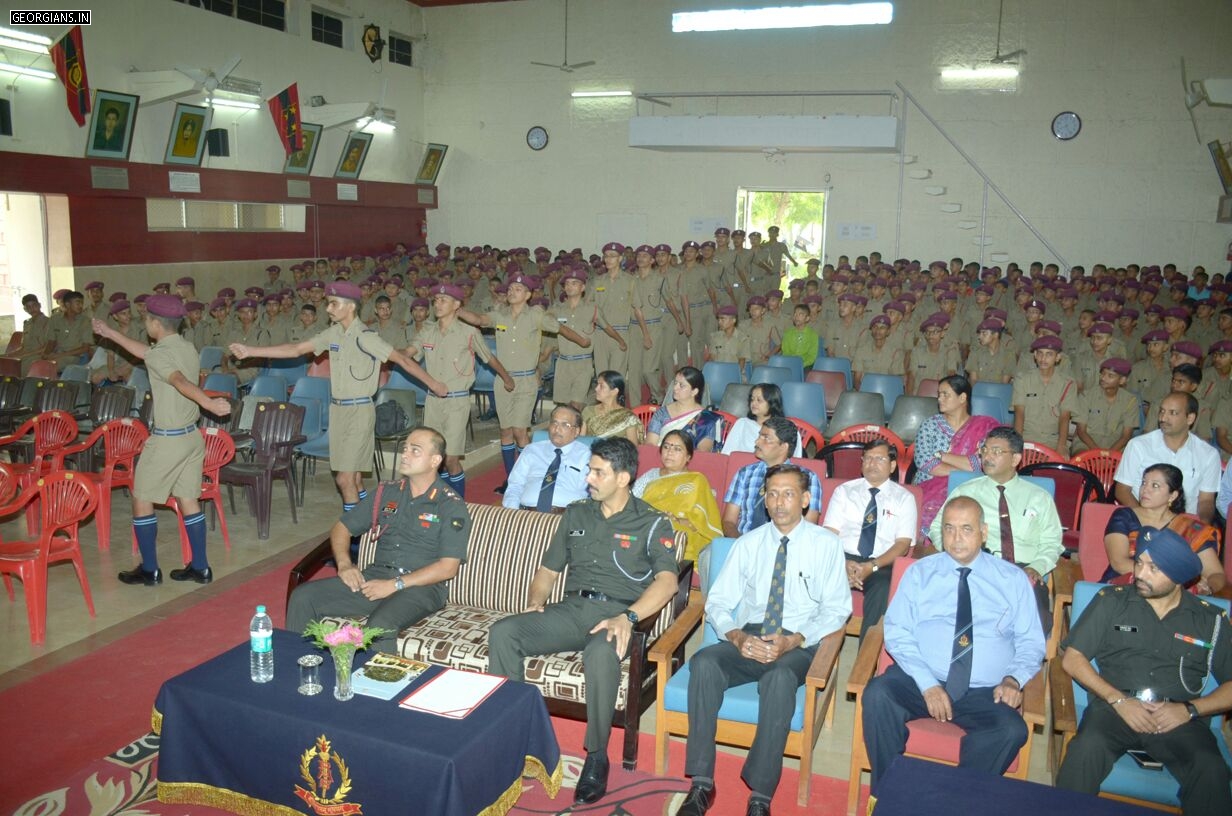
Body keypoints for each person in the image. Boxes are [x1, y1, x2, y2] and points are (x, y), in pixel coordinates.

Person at [488, 438, 678, 806]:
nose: (588, 478)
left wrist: (629, 617)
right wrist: (535, 601)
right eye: (590, 470)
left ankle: (596, 755)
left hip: (615, 615)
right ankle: (517, 739)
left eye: (597, 472)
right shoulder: (577, 514)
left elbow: (667, 582)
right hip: (571, 610)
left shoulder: (652, 521)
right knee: (504, 632)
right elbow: (548, 569)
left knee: (600, 654)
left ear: (623, 478)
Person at [675, 464, 849, 816]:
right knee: (705, 663)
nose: (779, 502)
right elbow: (719, 601)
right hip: (751, 635)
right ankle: (701, 783)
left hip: (798, 642)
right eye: (772, 494)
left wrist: (795, 640)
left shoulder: (826, 545)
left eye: (788, 494)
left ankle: (761, 794)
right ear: (764, 501)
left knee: (779, 678)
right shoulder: (749, 543)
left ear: (804, 499)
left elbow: (837, 610)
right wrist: (737, 637)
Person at [862, 496, 1046, 794]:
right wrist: (927, 684)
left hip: (984, 690)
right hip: (923, 680)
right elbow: (896, 631)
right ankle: (886, 795)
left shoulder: (1012, 580)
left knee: (1011, 729)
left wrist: (1014, 679)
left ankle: (956, 800)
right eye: (949, 529)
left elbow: (1031, 642)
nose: (956, 538)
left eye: (966, 529)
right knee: (878, 694)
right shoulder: (921, 573)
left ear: (984, 532)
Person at [230, 281, 447, 515]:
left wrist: (433, 384)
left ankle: (353, 536)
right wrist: (252, 351)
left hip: (359, 412)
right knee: (352, 479)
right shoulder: (333, 333)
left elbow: (403, 360)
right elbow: (296, 349)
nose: (328, 309)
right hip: (338, 412)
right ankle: (369, 519)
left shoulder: (366, 337)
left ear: (350, 307)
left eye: (333, 303)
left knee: (344, 479)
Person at [1054, 530, 1232, 814]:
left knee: (1211, 770)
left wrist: (1189, 710)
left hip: (1179, 717)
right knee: (1085, 751)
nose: (1140, 574)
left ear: (1179, 577)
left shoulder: (1210, 620)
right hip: (1115, 709)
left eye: (1153, 569)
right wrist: (1118, 700)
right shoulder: (1112, 601)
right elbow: (1073, 659)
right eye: (1139, 563)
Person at [286, 427, 469, 656]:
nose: (405, 455)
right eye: (405, 449)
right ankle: (300, 669)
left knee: (379, 626)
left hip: (421, 588)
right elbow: (341, 528)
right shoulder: (387, 493)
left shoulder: (450, 504)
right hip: (376, 577)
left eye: (415, 450)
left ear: (435, 460)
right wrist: (344, 564)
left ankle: (377, 688)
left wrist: (395, 584)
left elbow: (448, 567)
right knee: (303, 597)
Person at [94, 296, 232, 586]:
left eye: (146, 319)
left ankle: (149, 570)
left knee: (142, 498)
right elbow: (147, 353)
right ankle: (200, 567)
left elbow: (179, 380)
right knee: (188, 500)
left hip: (167, 440)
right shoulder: (186, 347)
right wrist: (110, 333)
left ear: (156, 323)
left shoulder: (162, 355)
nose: (144, 323)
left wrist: (209, 403)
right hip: (191, 439)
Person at [928, 426, 1063, 630]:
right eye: (985, 450)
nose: (987, 456)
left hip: (1023, 570)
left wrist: (1037, 567)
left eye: (996, 452)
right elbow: (938, 527)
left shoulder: (1039, 497)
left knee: (1032, 624)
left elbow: (1052, 542)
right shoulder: (966, 492)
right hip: (979, 564)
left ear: (1015, 459)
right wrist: (954, 556)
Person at [408, 283, 515, 496]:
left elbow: (489, 358)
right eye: (436, 300)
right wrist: (385, 352)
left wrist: (506, 378)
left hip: (457, 402)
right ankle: (440, 498)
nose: (437, 304)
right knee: (432, 456)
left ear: (457, 305)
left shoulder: (469, 332)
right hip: (432, 402)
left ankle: (458, 503)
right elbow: (409, 352)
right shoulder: (427, 331)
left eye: (443, 300)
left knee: (451, 458)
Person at [823, 438, 917, 641]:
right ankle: (817, 647)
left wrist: (871, 566)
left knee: (883, 588)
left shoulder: (904, 498)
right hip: (843, 557)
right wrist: (844, 563)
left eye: (879, 459)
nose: (872, 463)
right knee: (820, 575)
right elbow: (829, 535)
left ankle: (864, 661)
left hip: (881, 562)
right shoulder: (844, 491)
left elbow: (902, 546)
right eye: (868, 458)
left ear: (892, 465)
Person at [1103, 464, 1225, 595]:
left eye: (1155, 485)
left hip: (1174, 599)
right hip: (1123, 590)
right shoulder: (1124, 516)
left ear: (1172, 496)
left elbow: (1216, 574)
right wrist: (1167, 581)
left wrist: (1207, 587)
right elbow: (1119, 563)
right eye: (1144, 483)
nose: (1145, 489)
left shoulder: (1190, 528)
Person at [911, 374, 1001, 538]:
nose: (939, 398)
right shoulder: (930, 425)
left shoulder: (984, 427)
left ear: (962, 398)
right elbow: (924, 462)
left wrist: (942, 456)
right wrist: (962, 472)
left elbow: (981, 463)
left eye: (946, 394)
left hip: (971, 488)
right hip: (928, 485)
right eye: (939, 394)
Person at [1113, 392, 1221, 524]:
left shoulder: (1208, 455)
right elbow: (1122, 490)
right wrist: (1146, 519)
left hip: (1184, 524)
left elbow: (1206, 501)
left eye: (1173, 413)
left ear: (1190, 418)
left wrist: (1200, 527)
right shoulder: (1139, 445)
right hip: (1141, 520)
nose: (1163, 418)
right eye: (1162, 411)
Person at [632, 430, 723, 566]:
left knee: (671, 531)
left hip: (680, 530)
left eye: (677, 449)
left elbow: (702, 523)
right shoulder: (650, 475)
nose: (669, 452)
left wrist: (676, 519)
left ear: (688, 456)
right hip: (648, 523)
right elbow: (632, 503)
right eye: (666, 447)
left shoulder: (696, 480)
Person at [723, 417, 822, 536]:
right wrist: (740, 545)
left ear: (784, 447)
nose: (757, 442)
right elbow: (728, 521)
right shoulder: (745, 473)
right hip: (744, 541)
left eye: (766, 438)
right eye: (759, 436)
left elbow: (809, 526)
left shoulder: (808, 478)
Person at [501, 406, 591, 511]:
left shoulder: (587, 456)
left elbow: (594, 493)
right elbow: (515, 486)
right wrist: (514, 514)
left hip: (567, 518)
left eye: (565, 425)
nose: (557, 429)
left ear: (576, 431)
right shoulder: (531, 450)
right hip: (528, 515)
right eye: (554, 423)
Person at [1011, 335, 1078, 455]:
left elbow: (1065, 417)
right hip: (1027, 437)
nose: (1043, 358)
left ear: (1058, 358)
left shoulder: (1068, 384)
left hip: (1053, 440)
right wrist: (1018, 444)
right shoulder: (1022, 379)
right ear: (1035, 356)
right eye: (1040, 353)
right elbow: (1019, 413)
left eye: (1049, 354)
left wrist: (1061, 446)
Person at [646, 366, 722, 452]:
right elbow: (650, 445)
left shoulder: (706, 419)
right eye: (675, 383)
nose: (675, 388)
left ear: (694, 391)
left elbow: (703, 452)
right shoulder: (662, 413)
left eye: (681, 385)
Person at [1071, 358, 1139, 453]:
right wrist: (1098, 453)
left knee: (1125, 461)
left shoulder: (1130, 401)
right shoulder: (1086, 396)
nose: (1103, 378)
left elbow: (1126, 436)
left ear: (1122, 380)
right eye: (1102, 374)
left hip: (1116, 444)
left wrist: (1109, 454)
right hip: (1087, 443)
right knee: (1082, 456)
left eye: (1110, 376)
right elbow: (1081, 431)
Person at [721, 383, 803, 457]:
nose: (754, 403)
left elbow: (796, 459)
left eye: (759, 400)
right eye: (752, 399)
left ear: (772, 403)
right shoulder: (743, 423)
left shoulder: (787, 429)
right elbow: (727, 453)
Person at [581, 370, 644, 443]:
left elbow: (632, 447)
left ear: (614, 391)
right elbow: (581, 441)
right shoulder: (588, 411)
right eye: (597, 385)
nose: (596, 389)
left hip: (617, 453)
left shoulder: (627, 417)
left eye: (601, 386)